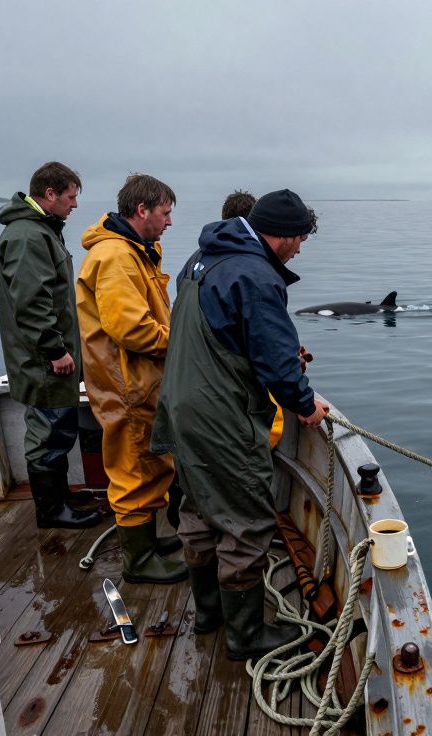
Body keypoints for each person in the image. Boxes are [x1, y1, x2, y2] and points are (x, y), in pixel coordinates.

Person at [152, 189, 329, 661]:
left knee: (196, 511)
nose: (299, 250)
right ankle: (245, 635)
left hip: (179, 407)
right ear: (285, 235)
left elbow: (220, 331)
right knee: (245, 521)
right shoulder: (254, 275)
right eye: (300, 241)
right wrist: (305, 405)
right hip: (220, 418)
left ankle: (209, 614)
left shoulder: (201, 258)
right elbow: (276, 362)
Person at [75, 174, 186, 584]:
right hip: (126, 384)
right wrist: (182, 345)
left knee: (153, 462)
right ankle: (138, 561)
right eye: (165, 212)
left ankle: (149, 542)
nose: (169, 222)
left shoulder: (138, 251)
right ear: (142, 211)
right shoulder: (116, 258)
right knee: (134, 467)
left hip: (141, 380)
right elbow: (132, 329)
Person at [0, 161, 102, 530]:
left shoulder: (41, 231)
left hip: (45, 356)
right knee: (49, 432)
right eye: (71, 197)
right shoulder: (27, 236)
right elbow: (32, 301)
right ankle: (51, 510)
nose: (74, 205)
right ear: (50, 193)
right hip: (42, 359)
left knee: (58, 428)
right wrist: (55, 350)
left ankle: (60, 497)